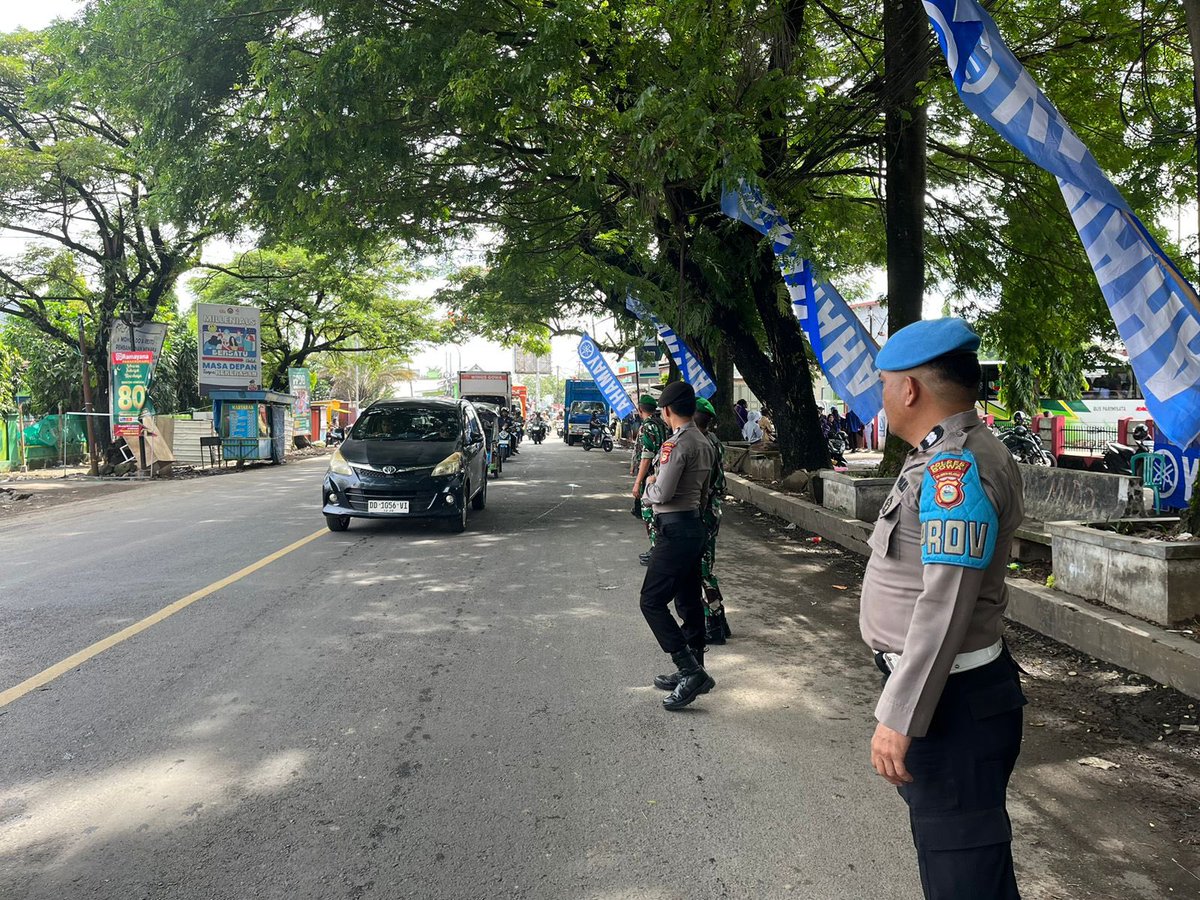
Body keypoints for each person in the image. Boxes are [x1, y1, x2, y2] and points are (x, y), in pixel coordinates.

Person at [859, 317, 1025, 900]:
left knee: (962, 879)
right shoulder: (941, 455)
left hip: (950, 706)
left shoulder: (957, 468)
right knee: (972, 874)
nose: (880, 395)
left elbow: (945, 604)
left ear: (909, 390)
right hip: (949, 697)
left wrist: (899, 716)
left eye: (884, 383)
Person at [639, 380, 716, 711]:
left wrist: (648, 485)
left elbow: (662, 493)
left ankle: (689, 670)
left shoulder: (676, 445)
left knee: (651, 601)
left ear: (667, 411)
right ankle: (695, 667)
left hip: (674, 529)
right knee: (687, 601)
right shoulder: (705, 441)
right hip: (693, 526)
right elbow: (704, 491)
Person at [693, 397, 731, 644]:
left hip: (703, 510)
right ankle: (721, 622)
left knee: (702, 570)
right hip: (712, 508)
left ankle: (714, 625)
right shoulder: (713, 441)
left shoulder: (700, 444)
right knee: (704, 565)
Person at [631, 395, 669, 566]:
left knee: (648, 513)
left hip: (651, 476)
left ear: (640, 410)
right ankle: (658, 549)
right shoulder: (663, 425)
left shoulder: (647, 427)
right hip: (664, 473)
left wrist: (638, 481)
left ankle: (656, 549)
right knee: (656, 512)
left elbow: (646, 456)